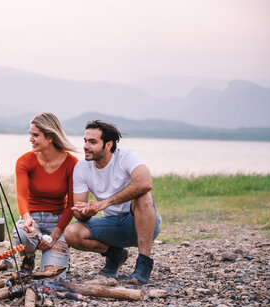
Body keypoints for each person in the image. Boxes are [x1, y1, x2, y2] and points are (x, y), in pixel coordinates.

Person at [64, 120, 161, 285]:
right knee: (71, 232)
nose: (86, 146)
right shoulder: (81, 167)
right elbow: (78, 211)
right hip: (111, 226)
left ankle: (144, 263)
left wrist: (105, 203)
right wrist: (87, 212)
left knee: (144, 196)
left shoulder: (126, 157)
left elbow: (146, 182)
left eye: (92, 142)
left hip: (139, 223)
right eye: (85, 141)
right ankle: (115, 254)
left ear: (108, 145)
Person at [13, 112, 78, 275]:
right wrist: (27, 219)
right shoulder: (24, 161)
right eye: (30, 134)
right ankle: (28, 256)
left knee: (51, 277)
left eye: (35, 135)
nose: (30, 139)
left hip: (57, 222)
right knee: (23, 234)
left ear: (50, 137)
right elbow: (21, 196)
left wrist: (56, 235)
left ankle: (59, 256)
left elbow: (71, 204)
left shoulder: (72, 163)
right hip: (32, 219)